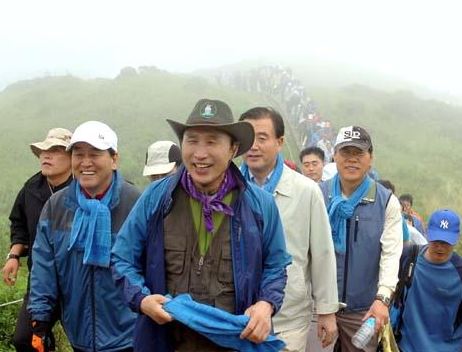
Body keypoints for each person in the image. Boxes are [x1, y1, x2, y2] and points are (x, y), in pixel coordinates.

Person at [111, 99, 291, 352]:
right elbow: (122, 258)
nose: (200, 153)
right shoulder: (156, 198)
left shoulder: (259, 205)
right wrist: (141, 299)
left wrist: (266, 305)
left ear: (233, 149)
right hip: (167, 342)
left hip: (236, 343)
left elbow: (276, 265)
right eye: (192, 140)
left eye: (212, 141)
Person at [28, 121, 140, 352]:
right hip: (79, 333)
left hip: (129, 335)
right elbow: (44, 267)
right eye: (78, 154)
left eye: (94, 154)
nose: (85, 162)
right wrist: (40, 320)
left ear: (114, 159)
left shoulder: (136, 205)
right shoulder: (56, 206)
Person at [239, 107, 338, 352]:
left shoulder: (306, 191)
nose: (253, 146)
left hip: (288, 319)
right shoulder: (227, 190)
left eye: (262, 138)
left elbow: (322, 253)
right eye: (248, 138)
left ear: (280, 142)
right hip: (238, 317)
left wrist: (326, 311)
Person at [320, 126, 403, 351]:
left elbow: (391, 254)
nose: (352, 160)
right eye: (346, 153)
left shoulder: (386, 202)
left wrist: (382, 299)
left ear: (371, 159)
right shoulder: (317, 195)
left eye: (359, 153)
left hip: (364, 311)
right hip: (318, 308)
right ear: (334, 156)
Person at [1, 128, 73, 352]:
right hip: (41, 279)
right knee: (25, 339)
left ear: (72, 157)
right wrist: (14, 255)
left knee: (86, 342)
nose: (45, 155)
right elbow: (19, 223)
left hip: (76, 280)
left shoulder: (83, 189)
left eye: (54, 150)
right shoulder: (31, 188)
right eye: (43, 151)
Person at [395, 209, 462, 352]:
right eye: (436, 240)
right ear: (427, 233)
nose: (440, 247)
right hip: (406, 346)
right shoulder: (409, 257)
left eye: (446, 242)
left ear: (456, 239)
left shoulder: (459, 272)